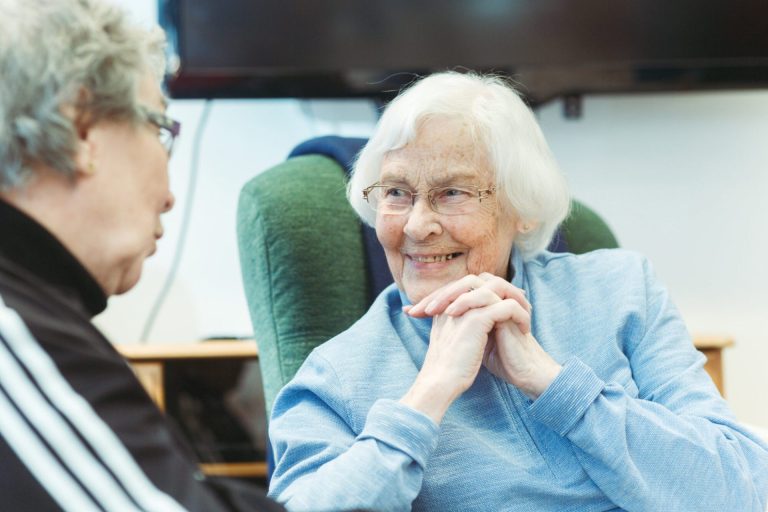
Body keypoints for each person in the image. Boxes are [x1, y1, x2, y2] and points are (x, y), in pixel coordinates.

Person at [267, 71, 768, 511]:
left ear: (522, 206)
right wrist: (427, 396)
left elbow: (745, 490)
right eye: (396, 193)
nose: (417, 225)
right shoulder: (336, 375)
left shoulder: (620, 292)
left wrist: (553, 385)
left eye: (453, 193)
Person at [0, 1, 283, 510]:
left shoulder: (38, 308)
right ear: (81, 131)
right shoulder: (13, 330)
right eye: (158, 129)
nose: (170, 196)